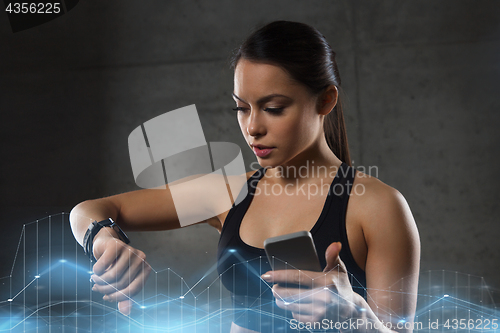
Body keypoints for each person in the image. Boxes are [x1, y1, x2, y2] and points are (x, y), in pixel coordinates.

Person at [70, 20, 420, 333]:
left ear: (325, 100)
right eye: (242, 107)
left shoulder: (377, 207)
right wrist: (104, 238)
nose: (252, 127)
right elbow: (89, 210)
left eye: (273, 108)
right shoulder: (229, 192)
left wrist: (356, 320)